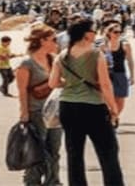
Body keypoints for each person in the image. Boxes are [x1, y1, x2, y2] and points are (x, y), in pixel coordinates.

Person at [49, 19, 124, 186]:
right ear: (86, 34)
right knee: (108, 152)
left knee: (74, 153)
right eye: (93, 31)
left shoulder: (62, 55)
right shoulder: (96, 54)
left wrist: (70, 83)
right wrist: (114, 109)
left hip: (68, 106)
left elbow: (52, 83)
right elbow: (105, 85)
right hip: (93, 107)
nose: (95, 33)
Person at [16, 24, 62, 186]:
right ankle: (32, 182)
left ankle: (53, 182)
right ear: (42, 41)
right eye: (53, 39)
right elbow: (22, 91)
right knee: (36, 152)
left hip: (55, 113)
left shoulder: (53, 59)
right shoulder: (26, 63)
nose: (56, 42)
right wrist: (24, 113)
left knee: (54, 151)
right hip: (36, 112)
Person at [101, 21, 134, 119]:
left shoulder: (125, 45)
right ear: (109, 33)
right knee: (106, 99)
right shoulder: (103, 46)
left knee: (120, 100)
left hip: (120, 73)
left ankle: (114, 117)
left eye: (120, 32)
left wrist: (132, 76)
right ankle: (109, 119)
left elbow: (130, 61)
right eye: (115, 32)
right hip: (106, 74)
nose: (118, 34)